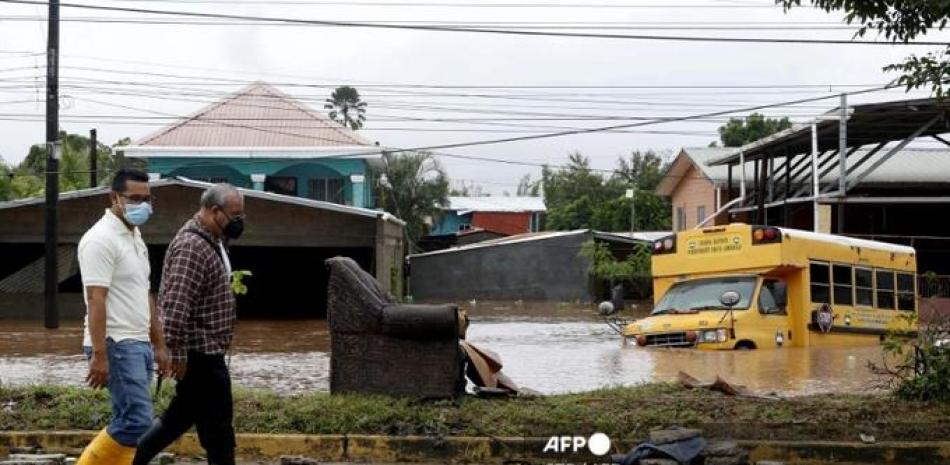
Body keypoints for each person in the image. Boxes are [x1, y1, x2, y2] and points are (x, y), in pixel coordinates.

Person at [133, 183, 245, 465]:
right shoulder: (192, 247)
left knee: (182, 419)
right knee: (217, 427)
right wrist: (178, 354)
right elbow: (175, 306)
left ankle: (129, 459)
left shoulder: (213, 240)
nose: (239, 221)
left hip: (205, 352)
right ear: (214, 211)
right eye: (235, 215)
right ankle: (129, 458)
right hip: (200, 354)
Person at [76, 168, 170, 465]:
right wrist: (100, 353)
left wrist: (159, 345)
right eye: (135, 198)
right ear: (114, 197)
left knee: (132, 420)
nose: (143, 205)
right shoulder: (99, 239)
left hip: (138, 342)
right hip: (116, 342)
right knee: (137, 420)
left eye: (148, 198)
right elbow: (95, 299)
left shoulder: (135, 236)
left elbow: (145, 294)